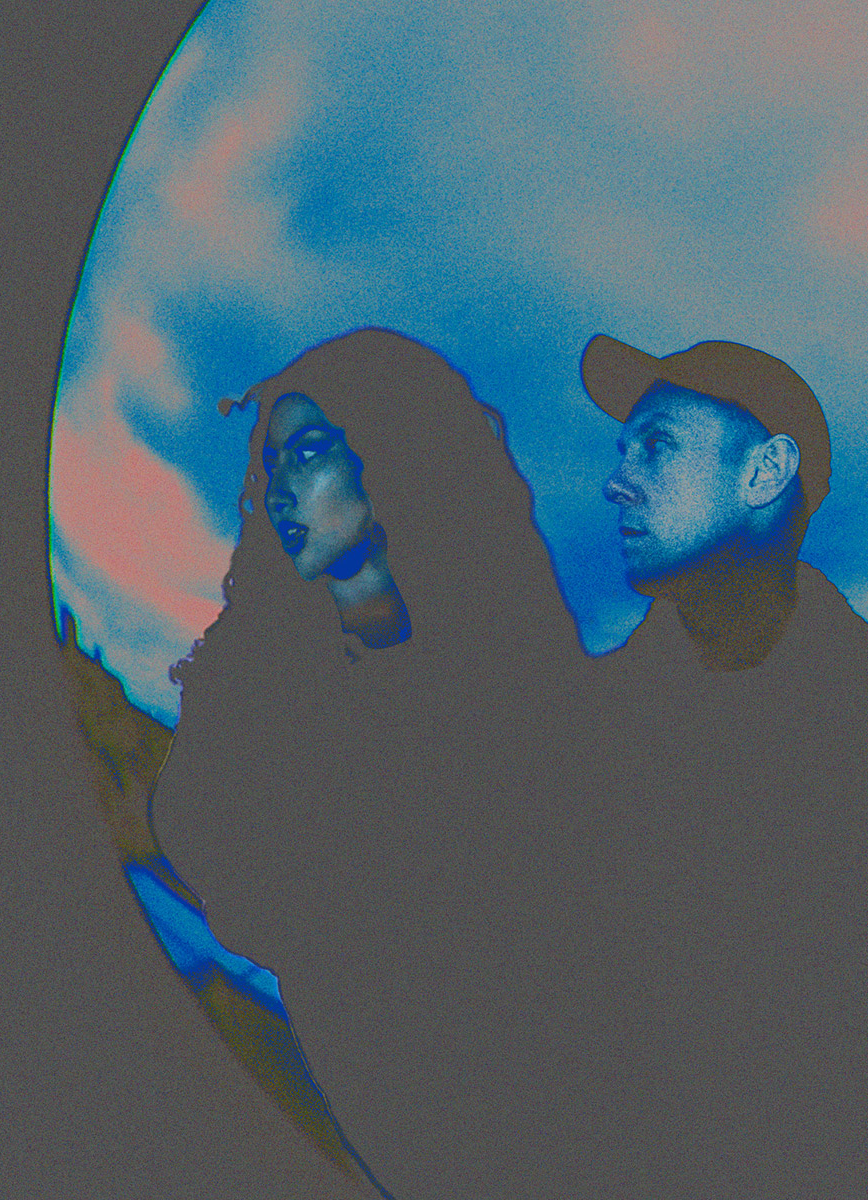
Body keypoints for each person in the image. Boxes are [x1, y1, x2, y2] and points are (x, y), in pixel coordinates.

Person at [574, 334, 868, 1196]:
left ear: (765, 473)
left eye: (659, 446)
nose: (617, 481)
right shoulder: (567, 749)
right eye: (622, 450)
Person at [150, 328, 606, 1199]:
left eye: (310, 453)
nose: (281, 488)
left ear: (398, 451)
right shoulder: (256, 685)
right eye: (272, 464)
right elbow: (214, 853)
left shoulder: (521, 690)